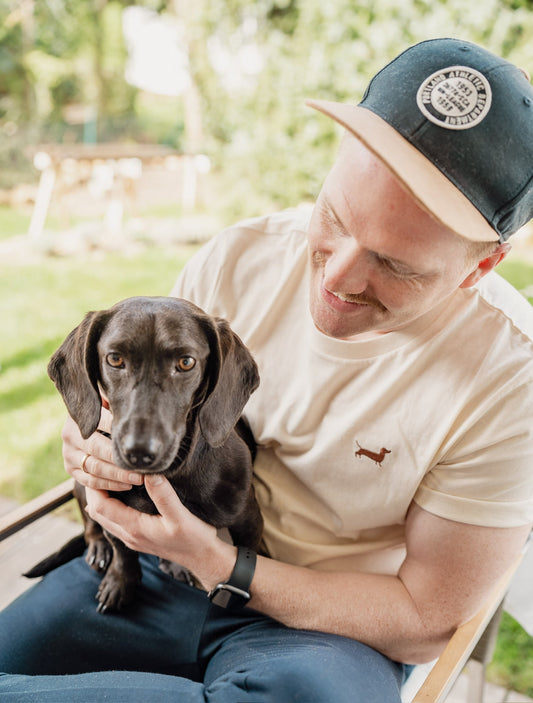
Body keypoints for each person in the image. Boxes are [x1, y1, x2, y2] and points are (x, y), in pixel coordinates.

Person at [1, 37, 533, 702]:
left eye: (394, 264)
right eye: (333, 218)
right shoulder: (237, 259)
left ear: (479, 266)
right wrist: (91, 446)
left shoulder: (508, 376)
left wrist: (220, 562)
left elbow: (426, 618)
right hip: (148, 574)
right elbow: (132, 401)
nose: (336, 279)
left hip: (326, 635)